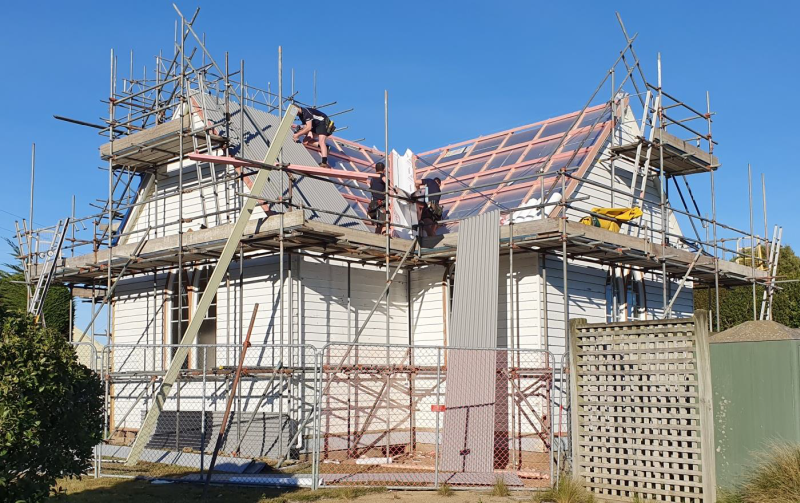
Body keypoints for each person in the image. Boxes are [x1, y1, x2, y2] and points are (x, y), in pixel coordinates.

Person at [367, 162, 388, 235]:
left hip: (373, 205)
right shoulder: (382, 177)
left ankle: (377, 236)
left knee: (378, 225)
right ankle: (385, 235)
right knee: (385, 221)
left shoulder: (372, 178)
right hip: (380, 204)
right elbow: (389, 185)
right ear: (384, 169)